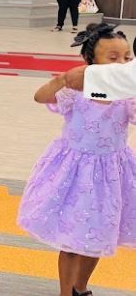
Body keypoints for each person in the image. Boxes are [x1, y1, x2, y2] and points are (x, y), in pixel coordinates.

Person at [18, 24, 135, 296]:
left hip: (111, 174)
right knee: (71, 240)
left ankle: (80, 288)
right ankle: (64, 292)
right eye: (112, 58)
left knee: (98, 236)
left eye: (127, 57)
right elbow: (40, 97)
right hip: (74, 173)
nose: (122, 63)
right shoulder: (76, 90)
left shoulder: (127, 95)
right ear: (90, 62)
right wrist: (61, 80)